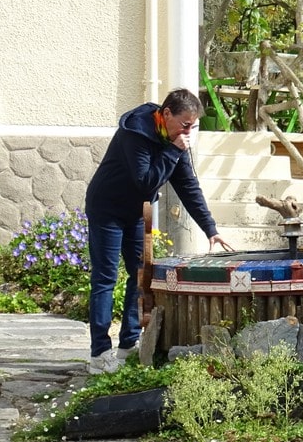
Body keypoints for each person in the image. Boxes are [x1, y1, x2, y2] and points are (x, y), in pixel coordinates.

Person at [85, 88, 233, 374]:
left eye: (193, 126)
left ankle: (128, 345)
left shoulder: (174, 141)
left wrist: (210, 229)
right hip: (107, 208)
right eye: (185, 124)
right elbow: (145, 182)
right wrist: (173, 150)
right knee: (105, 278)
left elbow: (188, 186)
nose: (188, 132)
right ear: (166, 114)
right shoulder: (136, 132)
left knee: (141, 276)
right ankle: (99, 354)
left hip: (136, 212)